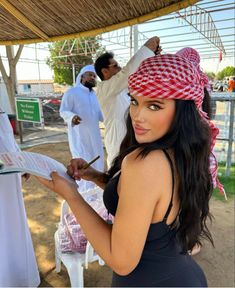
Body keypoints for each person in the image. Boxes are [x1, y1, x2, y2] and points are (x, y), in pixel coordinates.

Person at [36, 54, 224, 287]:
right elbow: (146, 202)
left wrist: (71, 195)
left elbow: (121, 261)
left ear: (183, 109)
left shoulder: (145, 162)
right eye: (135, 101)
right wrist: (94, 176)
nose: (138, 116)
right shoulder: (187, 152)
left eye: (154, 105)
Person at [94, 37, 160, 167]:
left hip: (130, 140)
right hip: (118, 142)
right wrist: (146, 50)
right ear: (105, 71)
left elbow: (137, 76)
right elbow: (127, 73)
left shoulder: (122, 88)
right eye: (116, 66)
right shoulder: (104, 89)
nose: (120, 68)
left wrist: (152, 57)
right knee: (118, 177)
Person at [0, 107, 40, 287]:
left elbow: (9, 140)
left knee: (14, 223)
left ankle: (20, 276)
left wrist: (22, 164)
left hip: (10, 177)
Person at [60, 65, 104, 192]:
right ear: (82, 76)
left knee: (97, 163)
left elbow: (101, 115)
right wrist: (72, 117)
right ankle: (85, 194)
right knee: (83, 164)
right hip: (79, 137)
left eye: (94, 76)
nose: (92, 78)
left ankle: (98, 193)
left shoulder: (95, 96)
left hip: (95, 137)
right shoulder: (72, 93)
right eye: (90, 75)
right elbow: (63, 111)